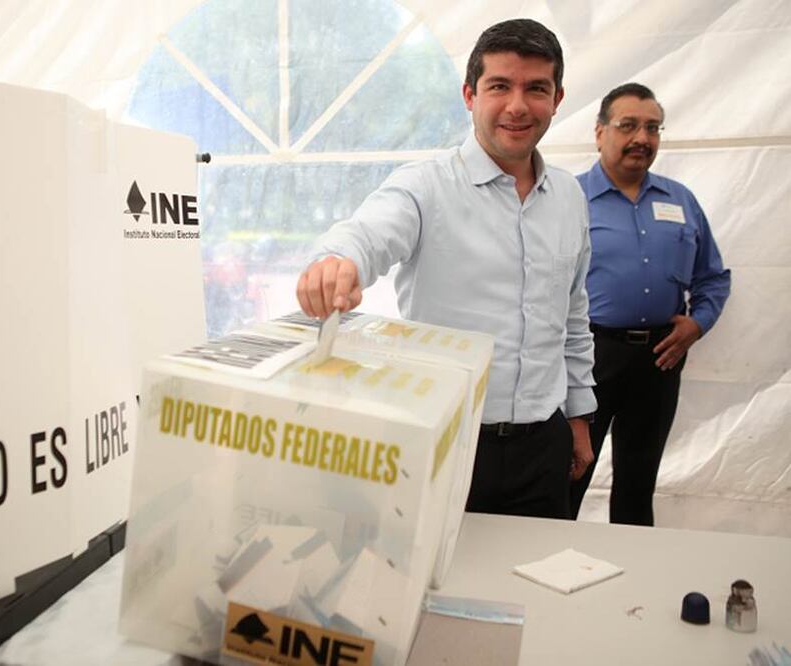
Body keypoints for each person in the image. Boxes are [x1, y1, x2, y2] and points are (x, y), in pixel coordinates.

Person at [295, 19, 596, 520]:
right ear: (469, 94)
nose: (518, 106)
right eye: (499, 86)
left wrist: (580, 415)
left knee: (533, 585)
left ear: (558, 98)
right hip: (445, 443)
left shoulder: (569, 196)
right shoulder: (425, 187)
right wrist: (337, 261)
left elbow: (573, 313)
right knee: (435, 590)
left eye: (535, 89)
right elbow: (368, 233)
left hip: (544, 445)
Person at [570, 83, 731, 525]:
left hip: (660, 359)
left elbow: (713, 277)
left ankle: (631, 582)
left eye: (653, 128)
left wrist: (697, 324)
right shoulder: (568, 199)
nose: (642, 137)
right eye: (628, 126)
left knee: (638, 485)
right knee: (569, 474)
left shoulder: (680, 200)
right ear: (599, 132)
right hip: (588, 355)